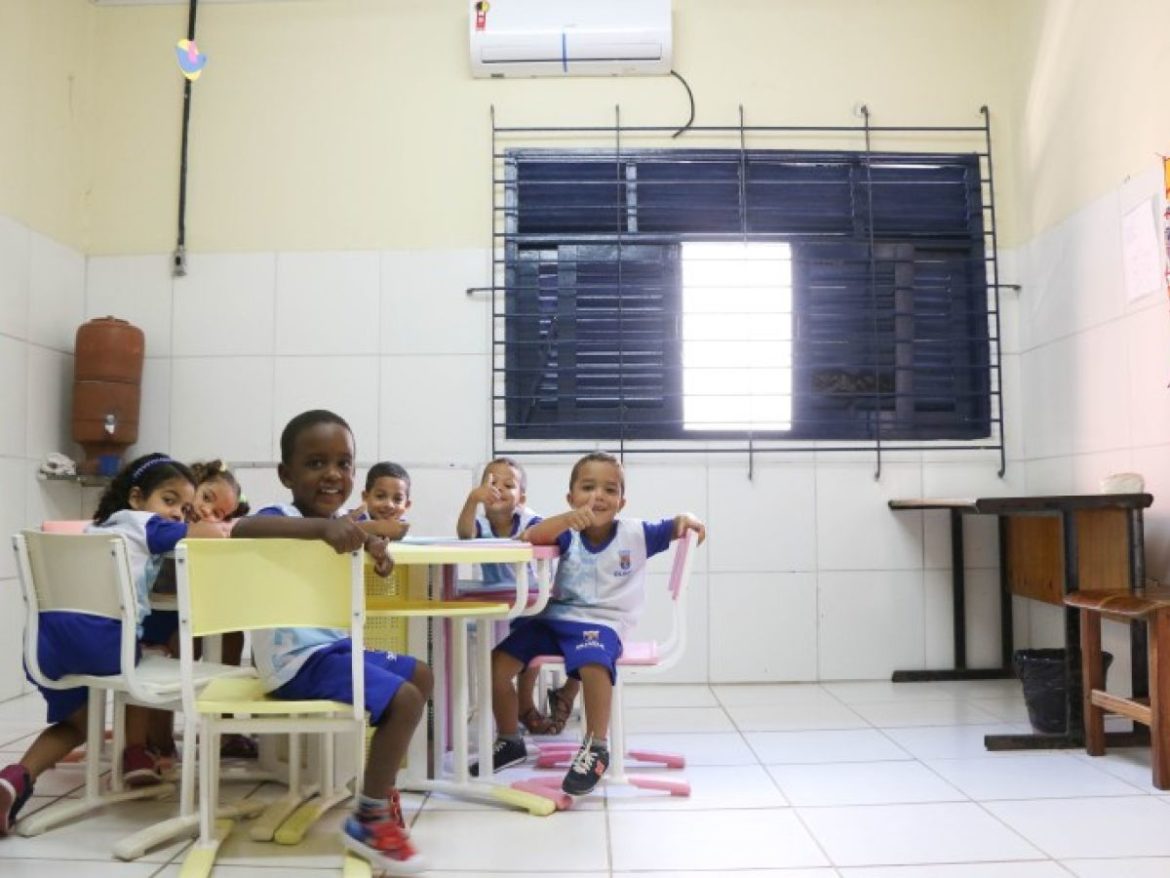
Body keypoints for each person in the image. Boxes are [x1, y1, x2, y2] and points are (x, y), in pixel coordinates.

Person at [232, 410, 432, 874]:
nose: (332, 475)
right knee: (403, 700)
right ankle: (369, 817)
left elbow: (356, 538)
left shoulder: (343, 523)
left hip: (332, 651)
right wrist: (325, 529)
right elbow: (242, 530)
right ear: (286, 474)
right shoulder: (279, 517)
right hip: (295, 662)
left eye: (343, 464)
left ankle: (379, 790)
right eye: (316, 463)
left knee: (421, 674)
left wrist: (374, 549)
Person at [0, 453, 229, 835]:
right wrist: (204, 522)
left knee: (75, 726)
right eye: (169, 500)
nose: (176, 514)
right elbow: (212, 536)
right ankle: (136, 752)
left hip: (48, 645)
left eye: (185, 508)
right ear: (137, 498)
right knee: (153, 646)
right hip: (103, 644)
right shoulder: (147, 526)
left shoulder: (98, 531)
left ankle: (14, 778)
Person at [474, 451, 705, 796]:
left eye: (609, 490)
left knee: (595, 661)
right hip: (555, 619)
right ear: (571, 498)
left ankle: (596, 747)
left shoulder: (637, 533)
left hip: (604, 623)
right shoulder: (568, 531)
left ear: (621, 502)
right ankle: (509, 738)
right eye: (587, 487)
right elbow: (530, 538)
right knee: (495, 664)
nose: (598, 496)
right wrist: (568, 519)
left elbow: (677, 524)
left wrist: (688, 517)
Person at [456, 457, 579, 735]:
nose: (498, 488)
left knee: (535, 631)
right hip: (496, 604)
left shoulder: (528, 519)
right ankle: (517, 708)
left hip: (531, 600)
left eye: (508, 485)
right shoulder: (479, 524)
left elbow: (541, 534)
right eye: (491, 483)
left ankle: (525, 704)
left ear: (521, 497)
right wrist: (471, 500)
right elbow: (463, 535)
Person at [351, 461, 411, 542]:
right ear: (365, 497)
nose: (389, 505)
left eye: (397, 499)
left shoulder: (400, 525)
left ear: (406, 505)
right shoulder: (354, 517)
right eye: (380, 496)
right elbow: (343, 531)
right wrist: (378, 527)